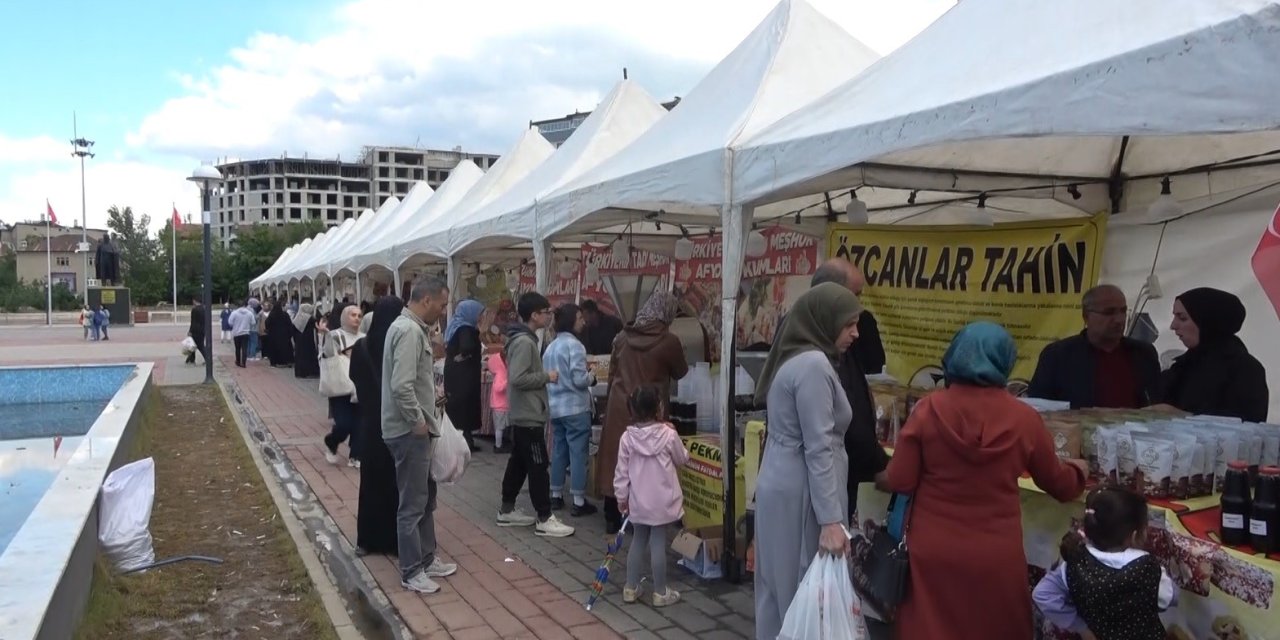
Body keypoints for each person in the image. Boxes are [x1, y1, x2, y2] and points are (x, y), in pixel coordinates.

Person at [884, 321, 1088, 640]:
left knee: (930, 625)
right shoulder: (1024, 418)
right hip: (996, 550)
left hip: (933, 544)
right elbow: (1060, 486)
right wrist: (1079, 471)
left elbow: (900, 479)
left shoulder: (928, 409)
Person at [753, 283, 862, 640]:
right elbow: (819, 446)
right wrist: (831, 520)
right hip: (803, 492)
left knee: (777, 590)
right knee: (802, 594)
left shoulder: (793, 359)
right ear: (825, 321)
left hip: (781, 479)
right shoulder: (814, 365)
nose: (855, 333)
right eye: (849, 324)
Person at [787, 258, 892, 516]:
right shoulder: (816, 360)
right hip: (820, 486)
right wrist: (831, 521)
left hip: (818, 480)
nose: (856, 329)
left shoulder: (806, 337)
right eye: (854, 296)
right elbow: (822, 441)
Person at [381, 277, 457, 594]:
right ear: (426, 300)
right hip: (408, 431)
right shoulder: (409, 331)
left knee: (425, 499)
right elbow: (401, 385)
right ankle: (412, 570)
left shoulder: (410, 328)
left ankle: (426, 559)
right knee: (412, 504)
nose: (443, 311)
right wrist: (417, 420)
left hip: (414, 429)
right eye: (441, 305)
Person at [1033, 486, 1176, 640]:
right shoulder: (1147, 567)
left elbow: (1042, 594)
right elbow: (1170, 598)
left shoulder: (1073, 560)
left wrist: (1081, 627)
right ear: (1134, 536)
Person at [599, 290, 689, 534]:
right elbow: (681, 371)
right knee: (649, 462)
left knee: (618, 459)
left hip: (620, 404)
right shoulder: (669, 341)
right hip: (651, 408)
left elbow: (612, 372)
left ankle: (611, 514)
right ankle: (646, 513)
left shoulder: (622, 337)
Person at [495, 292, 575, 538]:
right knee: (538, 466)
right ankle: (544, 516)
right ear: (534, 315)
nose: (549, 316)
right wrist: (546, 377)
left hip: (525, 412)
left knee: (519, 463)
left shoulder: (523, 339)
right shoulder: (525, 342)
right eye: (545, 312)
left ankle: (507, 509)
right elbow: (518, 378)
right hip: (528, 414)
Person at [615, 385, 689, 608]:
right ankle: (660, 592)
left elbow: (621, 472)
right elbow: (682, 458)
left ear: (632, 410)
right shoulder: (669, 434)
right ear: (658, 407)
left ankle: (630, 587)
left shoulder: (627, 439)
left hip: (638, 501)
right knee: (658, 542)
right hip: (662, 501)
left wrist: (621, 497)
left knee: (638, 540)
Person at [1028, 284, 1161, 409]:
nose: (1119, 319)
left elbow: (1156, 403)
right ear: (1086, 316)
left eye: (1123, 311)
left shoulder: (1144, 354)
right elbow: (1040, 407)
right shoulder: (1058, 356)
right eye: (1109, 312)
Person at [1156, 287, 1269, 421]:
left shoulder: (1246, 369)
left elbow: (1250, 425)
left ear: (1206, 321)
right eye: (1174, 316)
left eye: (1182, 318)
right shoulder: (1183, 365)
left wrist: (1183, 416)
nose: (1173, 325)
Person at [348, 297, 401, 556]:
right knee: (395, 483)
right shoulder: (398, 346)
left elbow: (353, 377)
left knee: (370, 482)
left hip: (369, 423)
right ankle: (394, 540)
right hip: (395, 422)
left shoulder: (360, 347)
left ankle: (366, 540)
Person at [544, 303, 598, 517]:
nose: (583, 321)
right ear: (570, 321)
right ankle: (578, 499)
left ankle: (555, 494)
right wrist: (591, 376)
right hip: (575, 407)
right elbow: (579, 380)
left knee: (559, 450)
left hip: (556, 407)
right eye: (579, 318)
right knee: (578, 453)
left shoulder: (551, 346)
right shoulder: (575, 346)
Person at [321, 302, 364, 468]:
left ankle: (356, 455)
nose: (357, 318)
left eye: (359, 315)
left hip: (360, 386)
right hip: (340, 387)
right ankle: (332, 441)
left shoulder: (363, 337)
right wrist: (326, 337)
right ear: (345, 317)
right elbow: (328, 355)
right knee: (345, 423)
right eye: (353, 315)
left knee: (361, 423)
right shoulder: (335, 335)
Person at [444, 299, 485, 453]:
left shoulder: (456, 326)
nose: (480, 317)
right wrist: (464, 356)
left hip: (456, 374)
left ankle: (465, 440)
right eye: (479, 313)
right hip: (464, 376)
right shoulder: (465, 328)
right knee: (464, 407)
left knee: (458, 406)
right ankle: (463, 443)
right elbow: (467, 347)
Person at [488, 347, 510, 454]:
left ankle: (499, 444)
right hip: (500, 405)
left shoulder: (500, 372)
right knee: (499, 427)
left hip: (500, 404)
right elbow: (498, 388)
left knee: (500, 426)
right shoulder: (502, 374)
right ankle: (498, 446)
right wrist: (507, 382)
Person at [293, 303, 320, 378]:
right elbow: (317, 324)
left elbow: (293, 329)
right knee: (308, 355)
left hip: (299, 341)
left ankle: (300, 373)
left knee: (299, 356)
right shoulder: (309, 318)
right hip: (308, 340)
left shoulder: (297, 317)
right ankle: (310, 372)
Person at [265, 301, 295, 368]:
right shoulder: (285, 314)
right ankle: (288, 362)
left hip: (274, 336)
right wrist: (290, 334)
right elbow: (289, 324)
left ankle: (274, 363)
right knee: (286, 349)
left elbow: (267, 323)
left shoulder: (272, 315)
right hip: (284, 335)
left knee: (274, 349)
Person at [229, 300, 255, 368]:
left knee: (237, 348)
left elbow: (230, 322)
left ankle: (238, 361)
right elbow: (253, 322)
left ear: (237, 306)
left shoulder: (234, 313)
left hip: (237, 333)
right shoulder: (249, 313)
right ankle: (244, 363)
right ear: (245, 305)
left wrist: (235, 325)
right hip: (246, 332)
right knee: (244, 348)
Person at [187, 297, 209, 366]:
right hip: (202, 330)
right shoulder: (204, 309)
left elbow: (193, 321)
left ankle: (207, 359)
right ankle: (191, 359)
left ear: (194, 301)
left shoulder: (194, 310)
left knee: (199, 346)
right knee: (195, 344)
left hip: (195, 330)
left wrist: (190, 331)